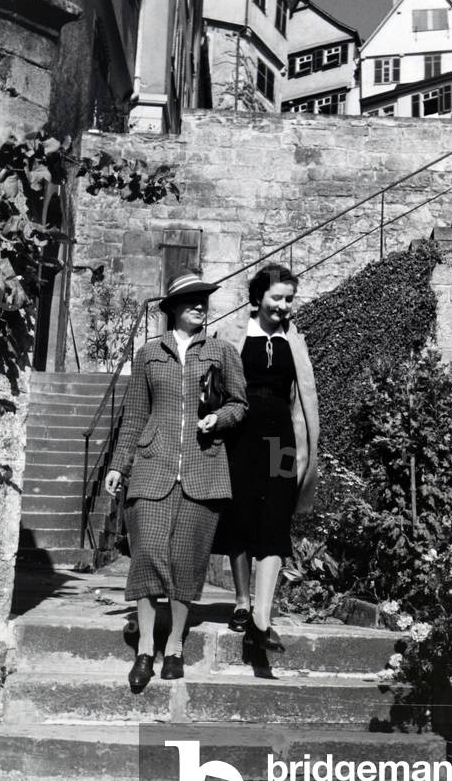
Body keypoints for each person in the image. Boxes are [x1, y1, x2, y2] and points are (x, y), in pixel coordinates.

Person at [104, 269, 248, 690]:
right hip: (152, 466)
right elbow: (133, 416)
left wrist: (217, 418)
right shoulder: (149, 354)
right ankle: (146, 647)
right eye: (192, 300)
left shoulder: (221, 352)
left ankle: (175, 647)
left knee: (186, 558)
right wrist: (118, 465)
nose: (200, 306)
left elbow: (240, 404)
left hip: (203, 469)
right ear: (172, 309)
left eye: (204, 300)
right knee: (147, 551)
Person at [219, 262, 319, 655]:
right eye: (276, 298)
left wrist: (303, 450)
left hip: (281, 442)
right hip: (241, 439)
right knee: (241, 516)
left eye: (289, 299)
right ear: (257, 298)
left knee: (276, 516)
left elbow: (303, 396)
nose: (283, 306)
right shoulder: (234, 335)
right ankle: (243, 603)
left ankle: (262, 619)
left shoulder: (296, 340)